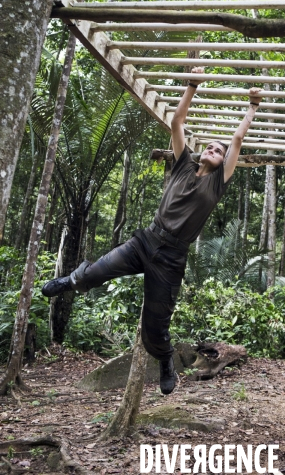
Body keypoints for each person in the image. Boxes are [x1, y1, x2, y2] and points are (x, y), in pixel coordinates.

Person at [42, 68, 263, 394]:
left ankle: (164, 360)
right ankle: (70, 281)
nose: (214, 150)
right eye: (210, 147)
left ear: (223, 161)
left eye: (219, 151)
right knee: (99, 270)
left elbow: (237, 140)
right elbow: (176, 123)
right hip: (146, 240)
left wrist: (252, 107)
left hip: (172, 257)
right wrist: (191, 85)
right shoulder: (183, 163)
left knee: (155, 326)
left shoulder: (218, 184)